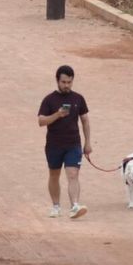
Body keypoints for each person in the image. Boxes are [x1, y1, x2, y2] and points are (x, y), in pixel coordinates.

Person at [37, 64, 92, 219]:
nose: (66, 85)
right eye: (63, 82)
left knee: (73, 174)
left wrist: (87, 143)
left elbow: (85, 121)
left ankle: (75, 205)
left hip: (73, 144)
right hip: (54, 145)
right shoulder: (49, 100)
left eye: (69, 82)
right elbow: (41, 121)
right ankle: (56, 206)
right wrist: (57, 115)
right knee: (54, 175)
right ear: (57, 81)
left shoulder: (78, 99)